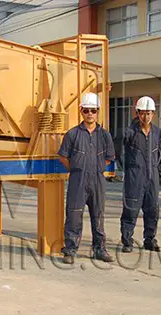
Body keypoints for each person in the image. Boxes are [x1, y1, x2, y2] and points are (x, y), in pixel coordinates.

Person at [58, 93, 116, 264]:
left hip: (97, 180)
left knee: (98, 215)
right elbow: (63, 156)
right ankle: (70, 250)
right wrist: (76, 168)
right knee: (74, 215)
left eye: (93, 110)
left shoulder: (104, 135)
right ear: (81, 111)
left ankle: (100, 249)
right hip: (78, 179)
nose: (90, 113)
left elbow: (109, 157)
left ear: (98, 112)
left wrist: (97, 167)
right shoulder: (72, 134)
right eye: (87, 110)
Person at [120, 96, 161, 253]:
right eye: (143, 113)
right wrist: (130, 169)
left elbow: (159, 151)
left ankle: (150, 240)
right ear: (137, 113)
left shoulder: (157, 132)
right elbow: (121, 152)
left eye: (149, 113)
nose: (146, 117)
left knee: (152, 209)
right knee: (131, 209)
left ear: (153, 113)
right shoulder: (129, 132)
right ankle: (127, 241)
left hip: (152, 176)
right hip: (134, 176)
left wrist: (152, 167)